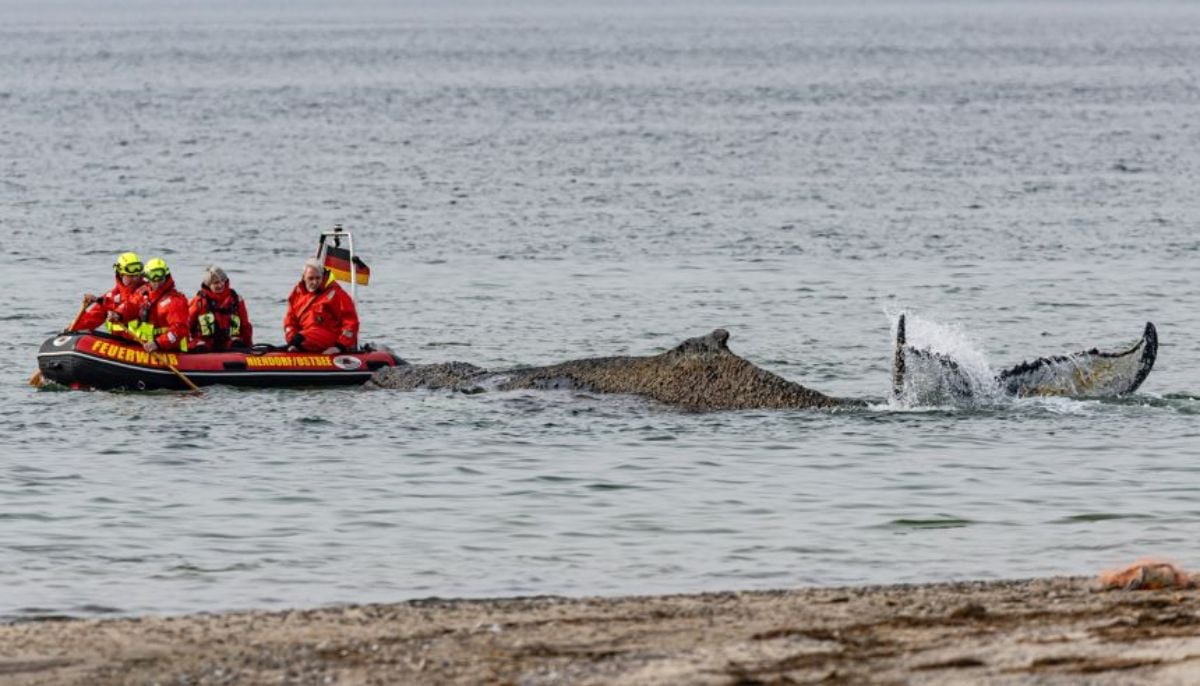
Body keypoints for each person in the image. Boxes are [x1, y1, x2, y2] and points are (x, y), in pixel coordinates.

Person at [283, 257, 359, 354]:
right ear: (304, 277)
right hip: (304, 339)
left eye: (318, 278)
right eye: (311, 278)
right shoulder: (297, 295)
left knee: (301, 337)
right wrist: (292, 342)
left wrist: (340, 346)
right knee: (297, 337)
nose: (315, 282)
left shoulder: (335, 294)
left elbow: (351, 322)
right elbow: (290, 321)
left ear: (322, 276)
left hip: (330, 337)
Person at [125, 257, 191, 353]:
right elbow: (131, 305)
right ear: (147, 277)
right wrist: (118, 314)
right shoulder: (143, 292)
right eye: (153, 275)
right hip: (149, 346)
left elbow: (180, 329)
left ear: (165, 274)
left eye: (160, 275)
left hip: (174, 351)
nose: (157, 280)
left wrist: (158, 343)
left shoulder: (175, 301)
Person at [188, 265, 253, 352]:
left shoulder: (236, 300)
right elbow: (186, 325)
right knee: (200, 348)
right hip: (205, 342)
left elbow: (245, 326)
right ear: (208, 285)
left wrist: (249, 347)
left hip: (229, 342)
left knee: (237, 344)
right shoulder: (199, 301)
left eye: (222, 281)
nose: (220, 285)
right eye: (216, 283)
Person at [76, 252, 145, 332]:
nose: (135, 279)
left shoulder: (147, 292)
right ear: (120, 274)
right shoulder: (111, 297)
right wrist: (69, 332)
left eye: (137, 275)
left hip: (145, 343)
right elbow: (90, 319)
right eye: (130, 276)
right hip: (116, 341)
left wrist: (118, 314)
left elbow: (132, 306)